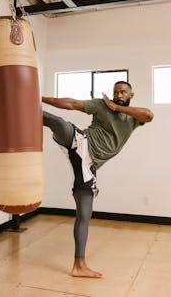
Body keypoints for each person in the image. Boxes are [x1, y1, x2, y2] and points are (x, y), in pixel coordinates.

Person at [42, 81, 154, 278]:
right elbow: (72, 104)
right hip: (82, 143)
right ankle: (15, 103)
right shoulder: (100, 105)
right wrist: (39, 98)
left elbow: (149, 115)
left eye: (123, 92)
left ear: (131, 95)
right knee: (59, 123)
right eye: (116, 92)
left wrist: (117, 108)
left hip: (90, 166)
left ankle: (79, 265)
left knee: (84, 214)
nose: (119, 94)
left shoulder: (133, 118)